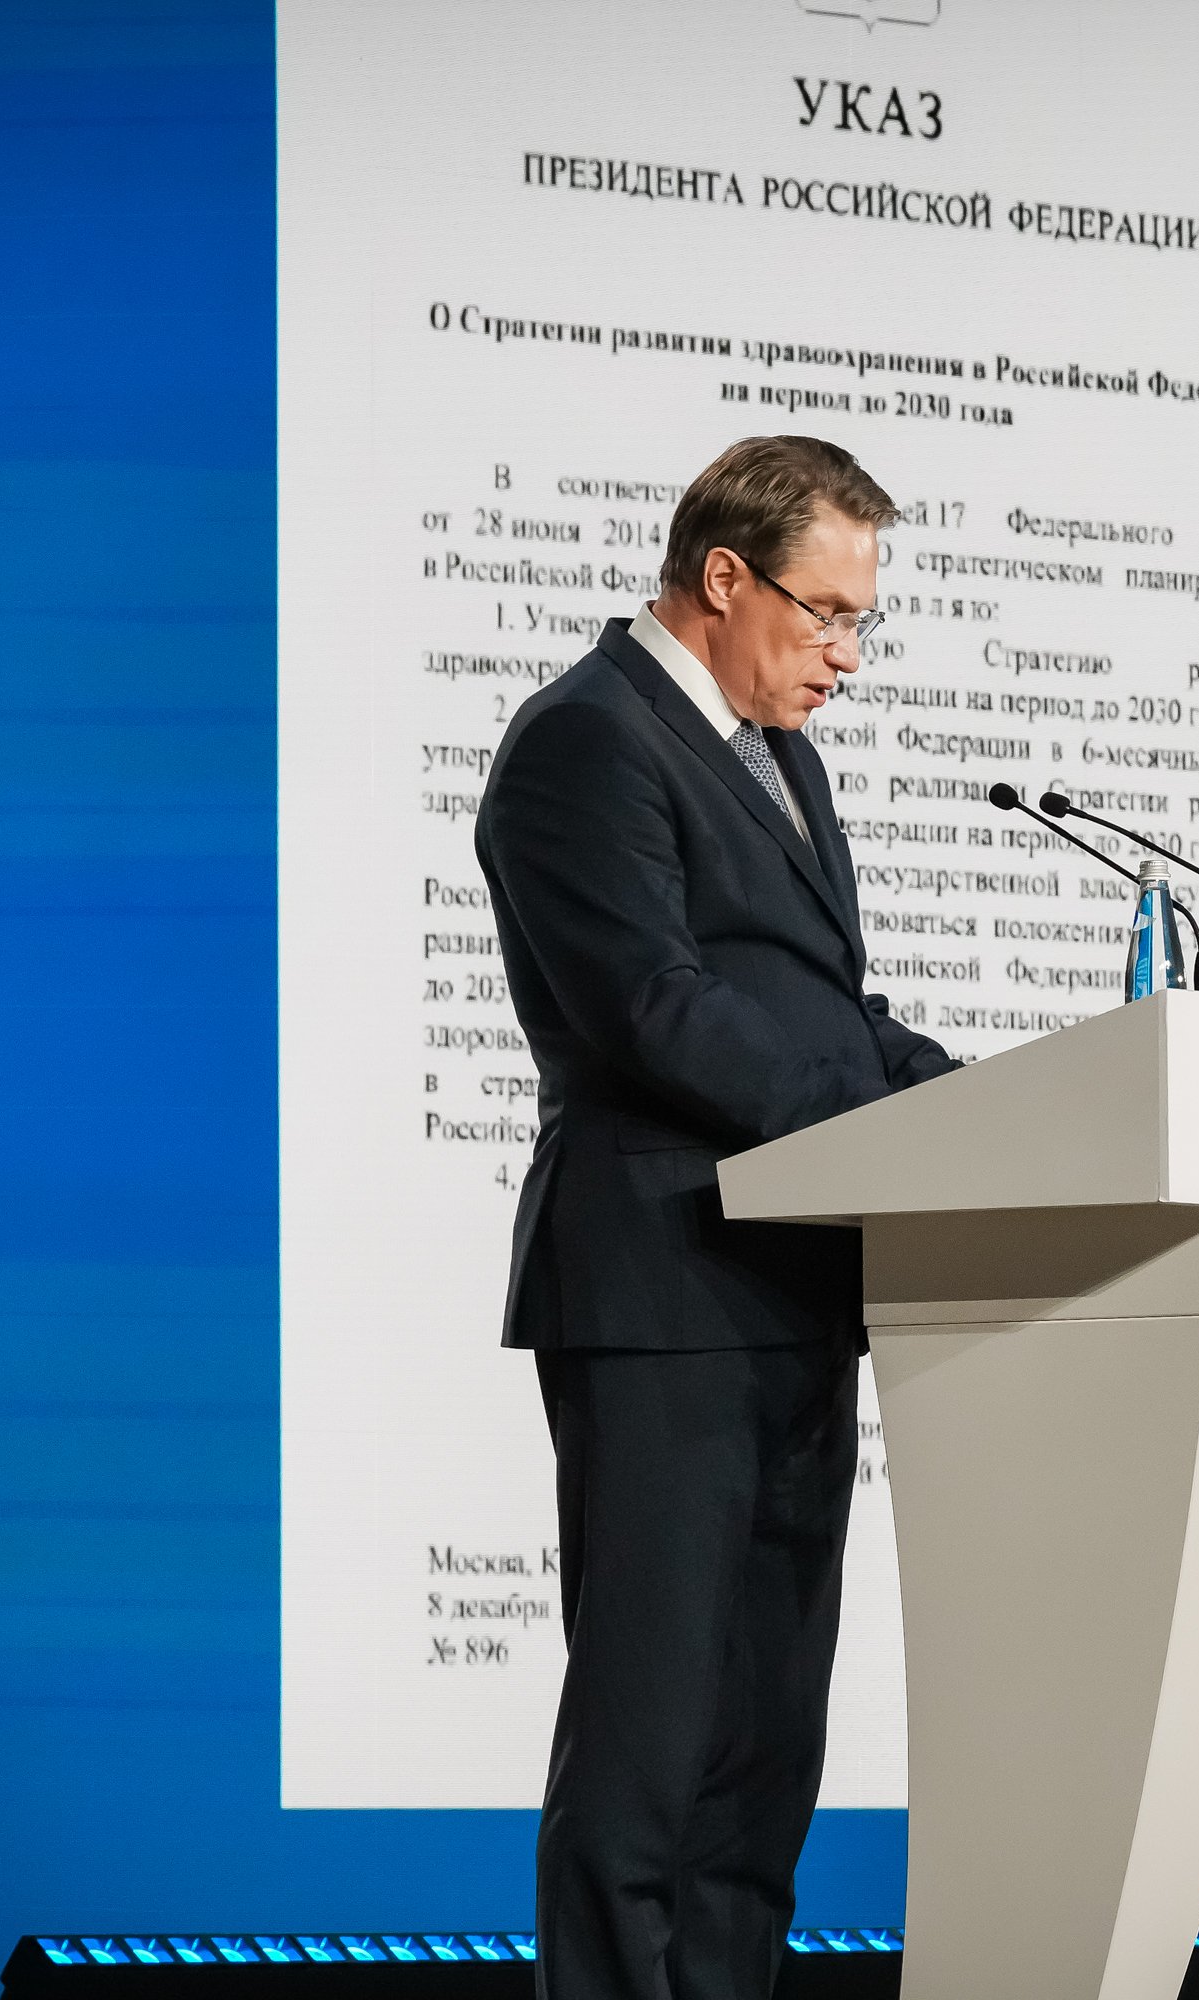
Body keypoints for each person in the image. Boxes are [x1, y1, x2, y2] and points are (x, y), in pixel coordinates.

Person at [474, 435, 955, 2000]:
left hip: (794, 1294)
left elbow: (822, 1010)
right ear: (725, 577)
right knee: (652, 1752)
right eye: (828, 613)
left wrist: (979, 1103)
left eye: (863, 621)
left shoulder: (779, 758)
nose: (847, 654)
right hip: (663, 1292)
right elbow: (656, 1011)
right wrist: (893, 1131)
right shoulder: (585, 739)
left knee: (760, 1761)